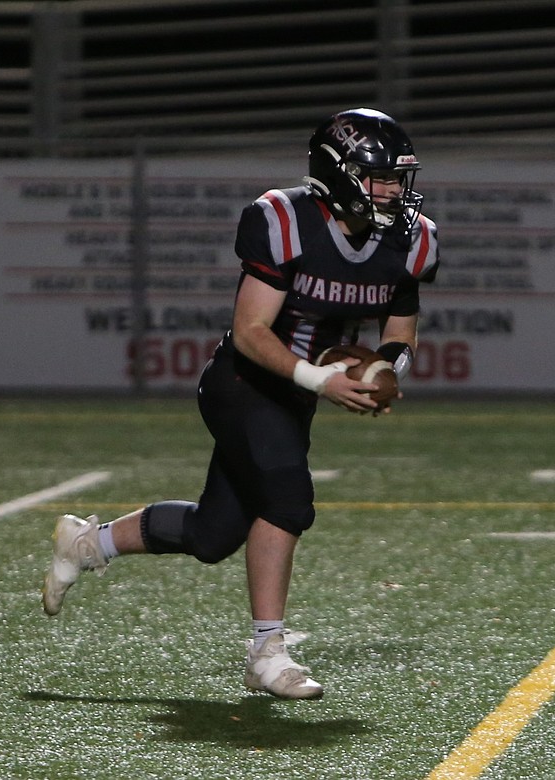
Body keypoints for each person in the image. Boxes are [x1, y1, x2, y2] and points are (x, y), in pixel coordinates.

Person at [41, 108, 439, 700]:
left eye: (396, 179)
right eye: (377, 177)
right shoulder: (283, 219)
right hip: (242, 382)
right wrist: (318, 379)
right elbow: (252, 331)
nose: (391, 192)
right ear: (337, 173)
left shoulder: (411, 238)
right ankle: (266, 652)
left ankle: (87, 542)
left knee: (214, 534)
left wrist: (386, 368)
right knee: (288, 499)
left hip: (296, 396)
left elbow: (400, 325)